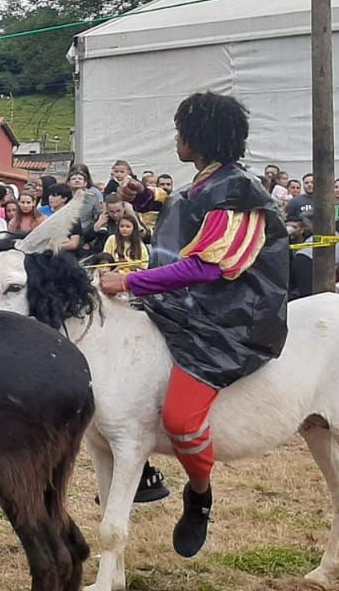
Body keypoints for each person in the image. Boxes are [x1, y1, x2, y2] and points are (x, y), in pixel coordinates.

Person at [99, 92, 289, 557]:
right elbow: (181, 211)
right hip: (188, 307)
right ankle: (138, 464)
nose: (176, 138)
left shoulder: (239, 193)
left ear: (199, 139)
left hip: (231, 320)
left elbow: (208, 266)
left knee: (182, 418)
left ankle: (199, 494)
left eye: (182, 131)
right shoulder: (208, 182)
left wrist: (130, 280)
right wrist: (143, 197)